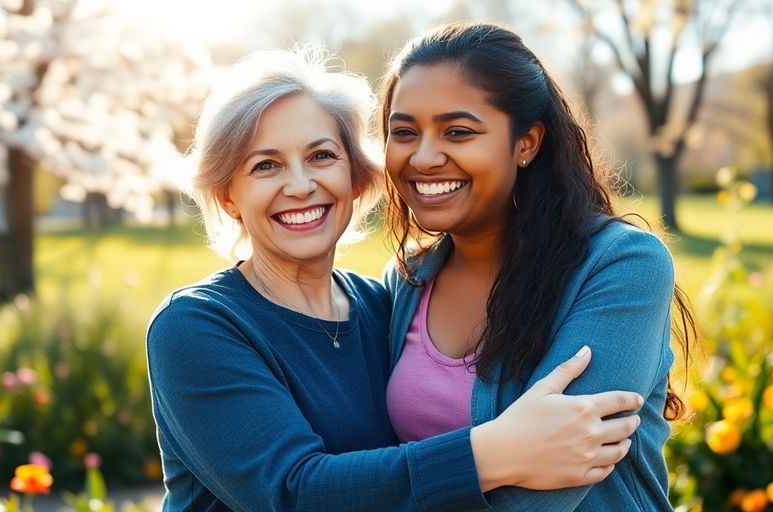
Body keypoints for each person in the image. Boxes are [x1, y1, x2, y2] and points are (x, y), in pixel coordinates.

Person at [146, 48, 646, 511]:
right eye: (265, 166)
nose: (300, 186)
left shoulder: (383, 303)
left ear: (357, 176)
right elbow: (291, 492)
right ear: (228, 196)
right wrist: (492, 453)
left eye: (322, 156)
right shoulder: (195, 327)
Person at [380, 23, 696, 510]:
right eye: (404, 132)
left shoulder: (621, 266)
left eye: (458, 131)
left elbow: (542, 500)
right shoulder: (406, 281)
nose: (423, 157)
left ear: (526, 143)